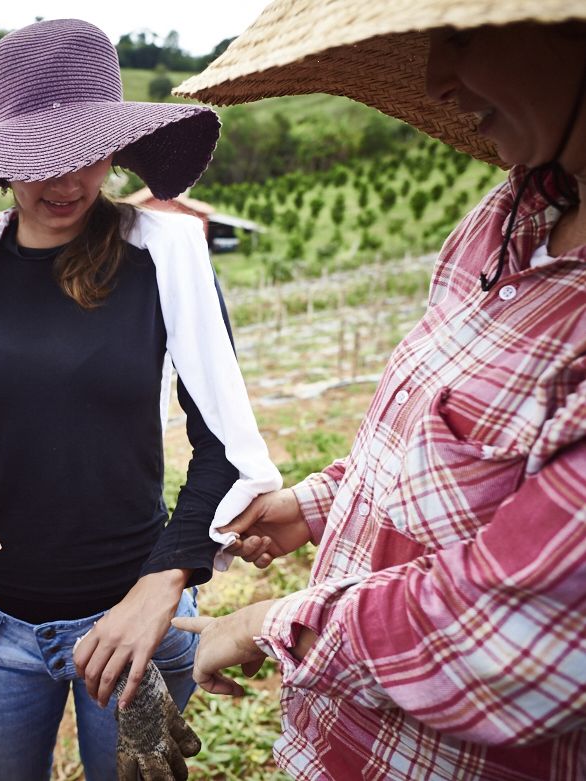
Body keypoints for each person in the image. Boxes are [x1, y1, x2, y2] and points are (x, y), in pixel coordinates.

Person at [170, 2, 586, 779]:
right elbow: (449, 452)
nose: (435, 79)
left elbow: (514, 634)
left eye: (462, 34)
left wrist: (265, 624)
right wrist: (318, 504)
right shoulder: (505, 218)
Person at [0, 19, 282, 780]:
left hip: (132, 618)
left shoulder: (161, 260)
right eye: (38, 159)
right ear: (1, 159)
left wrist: (162, 583)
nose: (67, 181)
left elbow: (224, 445)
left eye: (86, 154)